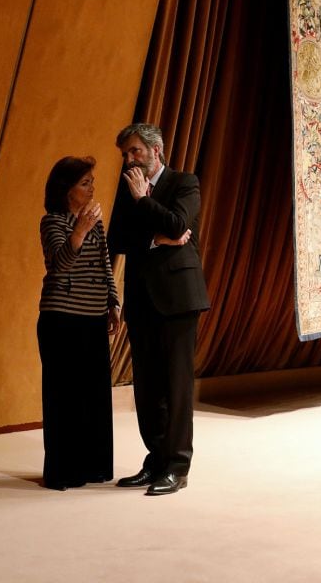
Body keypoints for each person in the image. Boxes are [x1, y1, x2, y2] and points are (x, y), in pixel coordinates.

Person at [108, 123, 210, 496]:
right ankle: (155, 461)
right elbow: (117, 238)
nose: (129, 160)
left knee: (176, 385)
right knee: (147, 388)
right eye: (125, 154)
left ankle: (177, 466)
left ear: (156, 150)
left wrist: (143, 202)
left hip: (179, 298)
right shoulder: (128, 185)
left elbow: (179, 224)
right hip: (141, 298)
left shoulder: (185, 183)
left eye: (135, 151)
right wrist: (156, 237)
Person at [37, 156, 121, 491]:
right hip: (62, 319)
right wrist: (80, 229)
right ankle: (62, 471)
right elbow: (59, 266)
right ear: (66, 189)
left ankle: (93, 466)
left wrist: (113, 301)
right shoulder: (52, 222)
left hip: (93, 316)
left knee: (93, 395)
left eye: (91, 182)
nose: (91, 188)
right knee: (63, 396)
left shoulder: (95, 223)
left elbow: (104, 263)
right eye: (85, 183)